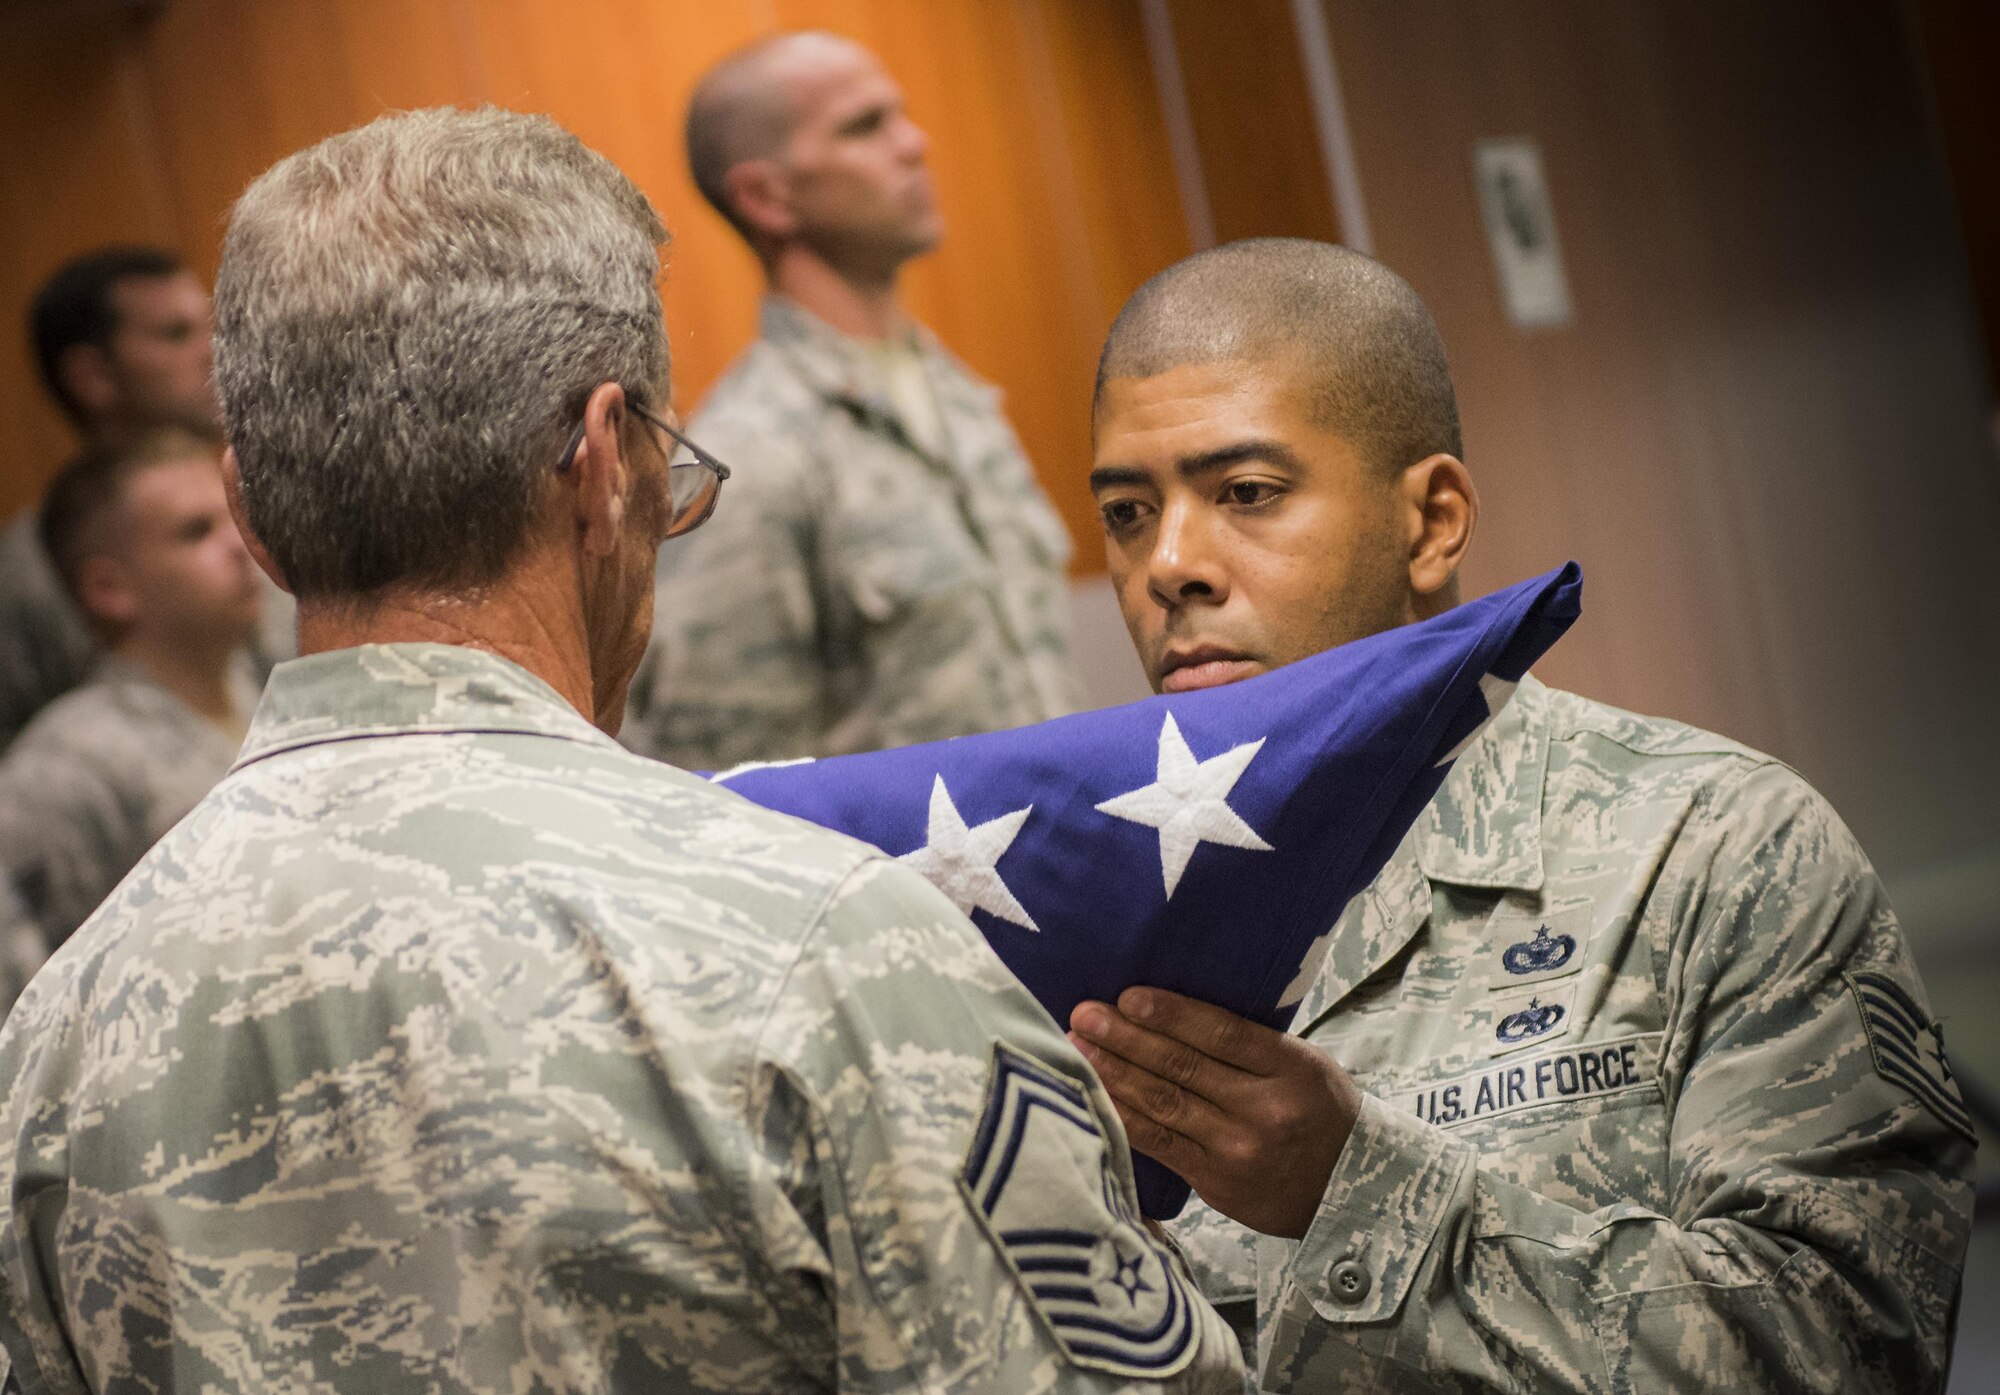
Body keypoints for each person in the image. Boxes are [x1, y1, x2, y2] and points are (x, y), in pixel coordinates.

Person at [0, 107, 1240, 1394]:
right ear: (601, 466)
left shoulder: (54, 1044)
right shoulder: (819, 949)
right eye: (668, 467)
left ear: (248, 516)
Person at [1065, 239, 1974, 1393]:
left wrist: (1357, 1194)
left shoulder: (1710, 848)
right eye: (1128, 512)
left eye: (1244, 493)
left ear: (1432, 521)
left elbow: (1845, 1349)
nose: (1169, 564)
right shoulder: (1083, 912)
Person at [622, 30, 1083, 769]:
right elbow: (723, 780)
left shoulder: (960, 401)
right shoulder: (754, 454)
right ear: (766, 196)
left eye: (900, 116)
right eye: (865, 127)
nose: (915, 143)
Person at [0, 428, 263, 952]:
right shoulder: (68, 769)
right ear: (109, 589)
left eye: (236, 518)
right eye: (196, 531)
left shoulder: (274, 692)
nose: (240, 544)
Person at [0, 247, 225, 747]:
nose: (214, 350)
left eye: (210, 325)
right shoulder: (29, 572)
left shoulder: (256, 506)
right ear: (92, 377)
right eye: (177, 334)